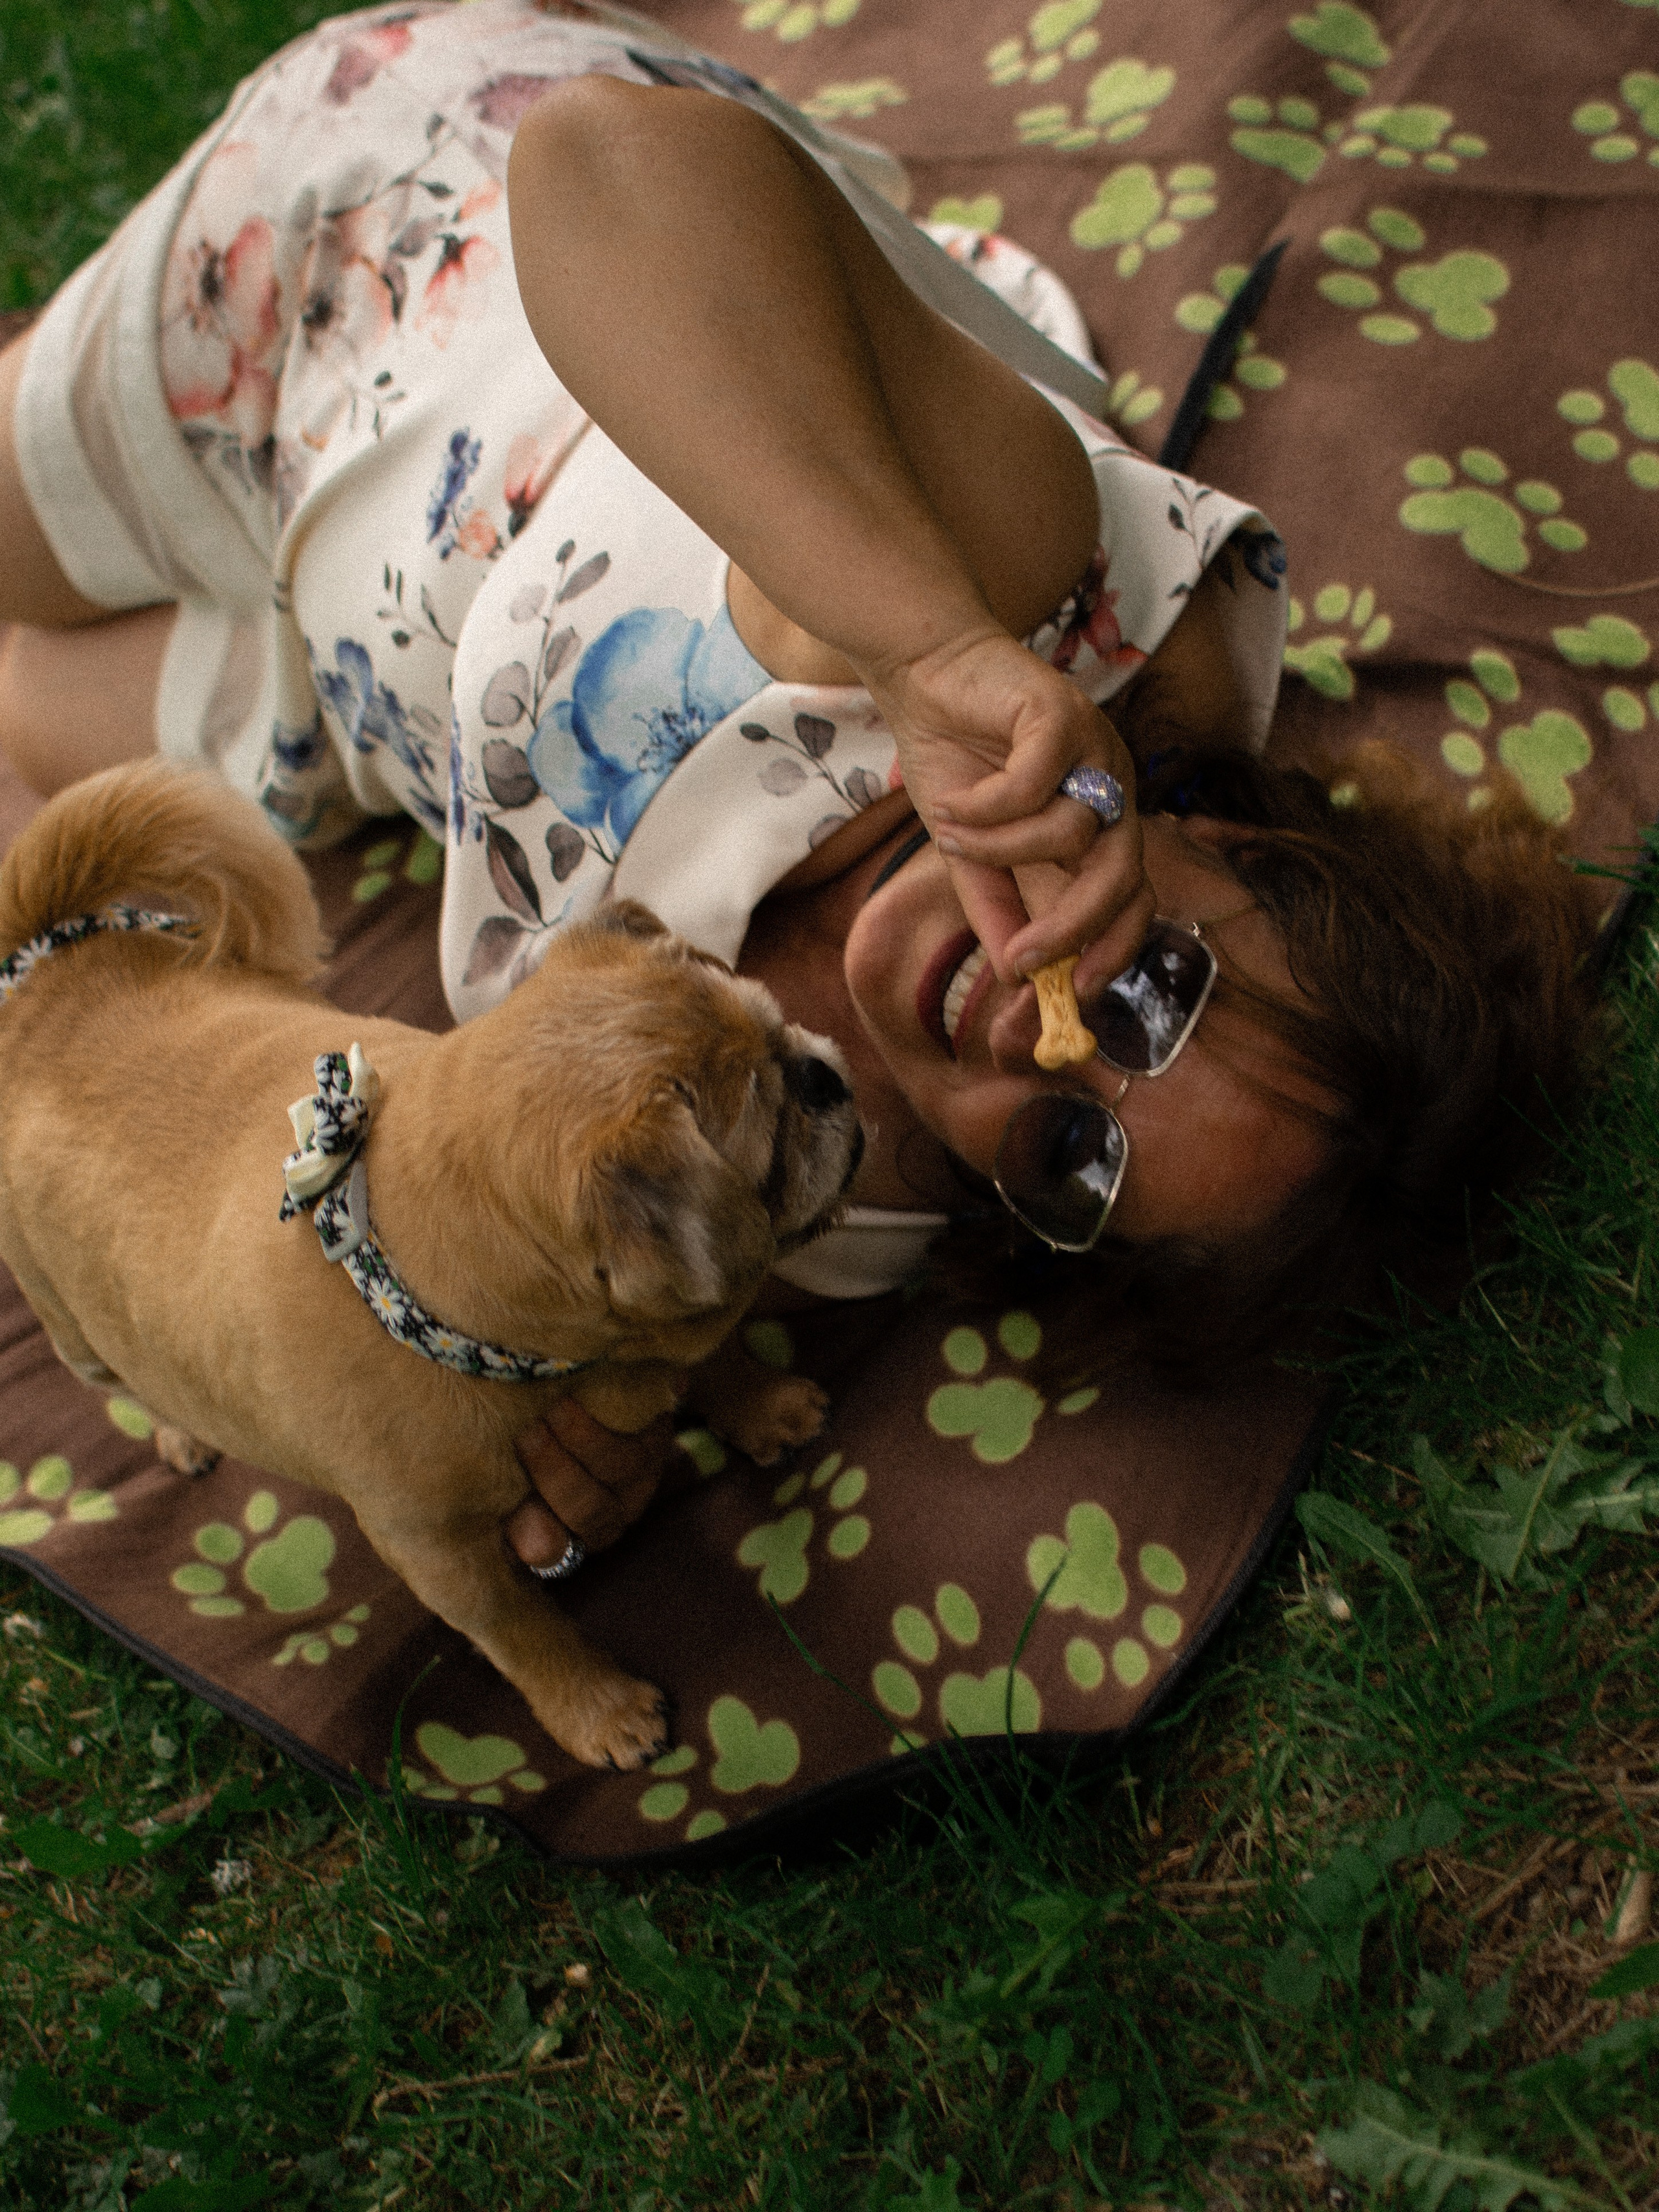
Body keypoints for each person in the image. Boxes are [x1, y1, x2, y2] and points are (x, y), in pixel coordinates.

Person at [0, 3, 1594, 1578]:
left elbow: (560, 1270)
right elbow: (597, 171)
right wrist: (925, 647)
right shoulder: (1018, 580)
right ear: (1233, 838)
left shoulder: (837, 1201)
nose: (1033, 1038)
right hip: (362, 260)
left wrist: (575, 1399)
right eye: (1157, 993)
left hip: (347, 690)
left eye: (1071, 1154)